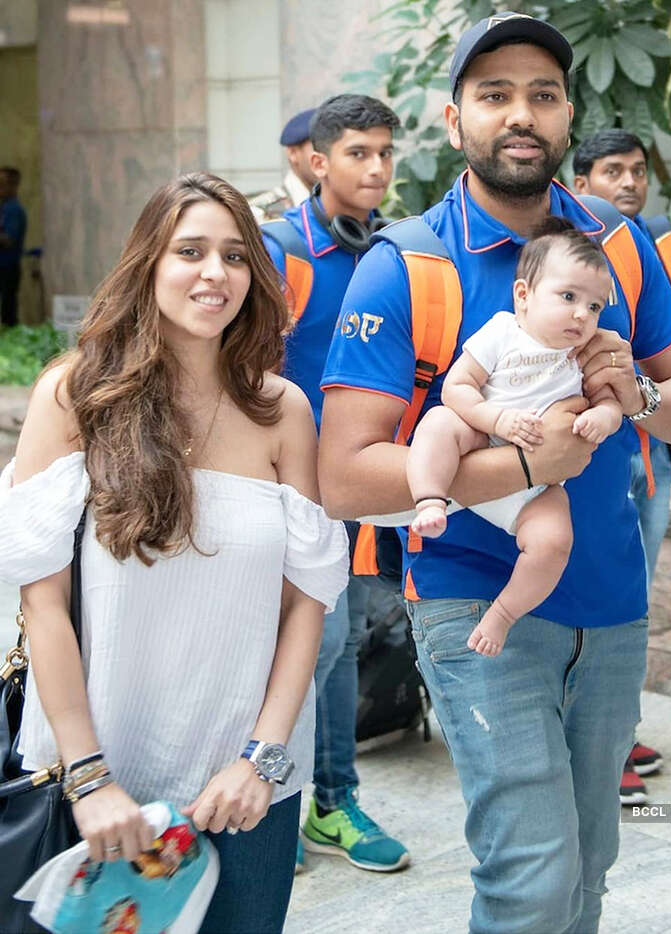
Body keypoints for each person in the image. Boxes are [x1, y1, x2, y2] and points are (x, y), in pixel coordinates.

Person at [318, 12, 671, 933]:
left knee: (590, 867)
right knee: (532, 878)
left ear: (568, 115)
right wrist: (521, 463)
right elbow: (343, 477)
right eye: (493, 94)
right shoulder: (407, 263)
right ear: (454, 120)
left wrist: (637, 394)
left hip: (612, 604)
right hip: (472, 602)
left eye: (543, 94)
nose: (520, 114)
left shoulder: (616, 247)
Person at [0, 172, 348, 934]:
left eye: (235, 255)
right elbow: (42, 602)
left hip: (244, 790)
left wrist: (262, 759)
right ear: (148, 263)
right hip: (101, 785)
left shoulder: (282, 410)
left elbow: (306, 603)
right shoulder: (74, 397)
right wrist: (88, 777)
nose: (214, 273)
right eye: (190, 251)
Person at [262, 93, 410, 873]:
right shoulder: (280, 249)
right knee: (295, 646)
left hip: (360, 491)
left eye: (385, 152)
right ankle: (275, 803)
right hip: (284, 492)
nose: (377, 168)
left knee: (342, 641)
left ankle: (332, 800)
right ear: (317, 161)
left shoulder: (395, 252)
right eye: (359, 152)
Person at [408, 218, 621, 656]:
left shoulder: (584, 353)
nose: (582, 314)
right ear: (523, 295)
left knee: (554, 541)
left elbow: (611, 402)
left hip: (538, 490)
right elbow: (457, 388)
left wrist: (604, 417)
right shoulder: (502, 332)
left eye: (595, 306)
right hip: (481, 445)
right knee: (439, 423)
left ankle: (503, 614)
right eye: (568, 297)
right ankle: (429, 499)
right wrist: (496, 420)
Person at [573, 128, 671, 803]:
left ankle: (621, 730)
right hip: (595, 451)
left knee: (637, 593)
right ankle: (605, 749)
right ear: (582, 184)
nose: (629, 182)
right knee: (602, 591)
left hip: (653, 445)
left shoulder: (658, 242)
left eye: (638, 170)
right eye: (613, 171)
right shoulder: (562, 249)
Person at [249, 107, 318, 223]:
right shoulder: (258, 213)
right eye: (318, 147)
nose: (328, 157)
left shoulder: (344, 209)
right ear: (293, 153)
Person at [0, 166, 27, 327]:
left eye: (2, 184)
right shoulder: (4, 208)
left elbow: (9, 239)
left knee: (8, 308)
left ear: (13, 186)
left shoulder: (14, 210)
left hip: (8, 266)